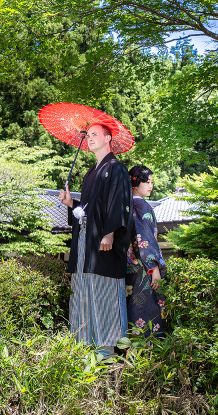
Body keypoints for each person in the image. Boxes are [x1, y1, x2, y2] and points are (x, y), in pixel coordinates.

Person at [59, 123, 133, 357]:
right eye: (88, 135)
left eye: (95, 134)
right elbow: (89, 209)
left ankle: (107, 351)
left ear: (108, 138)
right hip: (86, 241)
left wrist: (110, 232)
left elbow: (119, 203)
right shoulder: (91, 173)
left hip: (104, 243)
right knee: (83, 289)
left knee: (104, 291)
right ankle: (84, 346)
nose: (90, 138)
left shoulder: (117, 168)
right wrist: (71, 203)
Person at [125, 165, 166, 337]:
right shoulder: (142, 206)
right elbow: (145, 240)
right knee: (148, 310)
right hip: (144, 268)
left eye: (152, 182)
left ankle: (131, 347)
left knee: (132, 308)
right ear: (135, 184)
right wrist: (154, 268)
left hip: (130, 266)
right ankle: (148, 348)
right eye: (147, 182)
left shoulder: (125, 205)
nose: (151, 186)